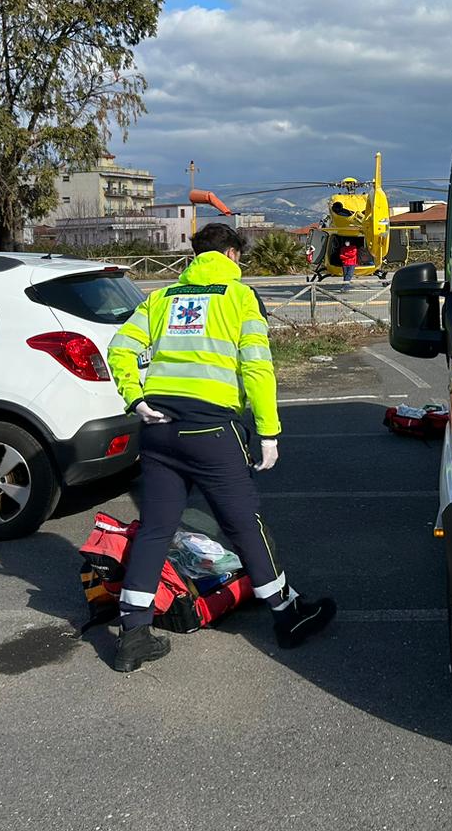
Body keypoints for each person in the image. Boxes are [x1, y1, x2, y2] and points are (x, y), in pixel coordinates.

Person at [104, 222, 336, 672]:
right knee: (244, 525)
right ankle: (287, 615)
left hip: (158, 427)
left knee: (155, 529)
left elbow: (119, 348)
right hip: (210, 431)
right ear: (231, 254)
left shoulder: (162, 298)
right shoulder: (239, 297)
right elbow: (257, 369)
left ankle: (133, 635)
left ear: (196, 256)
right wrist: (268, 431)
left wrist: (134, 397)